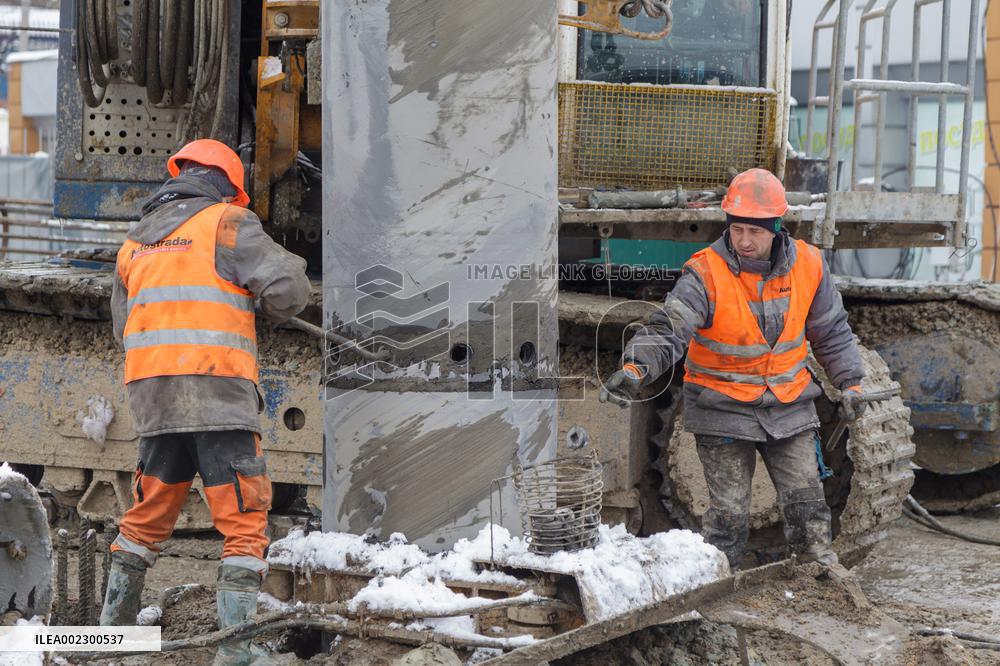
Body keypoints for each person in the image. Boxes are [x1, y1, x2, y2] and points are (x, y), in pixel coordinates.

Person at [101, 138, 310, 663]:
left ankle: (110, 647)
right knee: (243, 522)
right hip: (217, 394)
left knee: (145, 520)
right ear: (227, 187)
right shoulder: (227, 224)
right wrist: (255, 299)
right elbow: (289, 289)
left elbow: (123, 327)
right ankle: (236, 654)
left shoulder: (134, 243)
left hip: (154, 401)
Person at [600, 168, 867, 570]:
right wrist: (636, 367)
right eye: (737, 229)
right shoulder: (705, 272)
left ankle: (818, 582)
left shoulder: (809, 265)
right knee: (728, 519)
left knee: (808, 508)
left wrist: (851, 383)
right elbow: (669, 328)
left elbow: (832, 332)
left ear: (777, 228)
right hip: (722, 409)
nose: (744, 241)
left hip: (787, 406)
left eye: (755, 232)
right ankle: (716, 593)